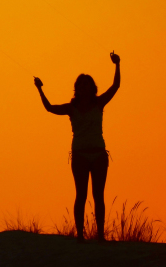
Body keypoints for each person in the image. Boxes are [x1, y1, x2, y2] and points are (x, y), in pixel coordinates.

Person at [34, 52, 120, 242]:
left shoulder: (99, 102)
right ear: (77, 89)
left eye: (86, 84)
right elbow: (49, 107)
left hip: (98, 154)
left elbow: (115, 86)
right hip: (80, 155)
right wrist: (40, 89)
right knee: (80, 195)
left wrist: (117, 65)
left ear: (92, 87)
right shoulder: (71, 108)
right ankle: (80, 236)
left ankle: (100, 235)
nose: (83, 87)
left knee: (99, 195)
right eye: (80, 85)